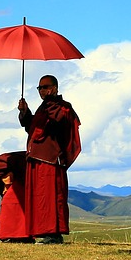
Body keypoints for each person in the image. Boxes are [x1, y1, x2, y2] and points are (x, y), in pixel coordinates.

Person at [17, 75, 81, 244]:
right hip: (36, 157)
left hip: (51, 159)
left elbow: (61, 123)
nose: (42, 91)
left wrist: (52, 105)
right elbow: (32, 127)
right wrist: (25, 111)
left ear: (55, 88)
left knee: (50, 196)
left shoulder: (63, 107)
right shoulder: (43, 108)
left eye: (45, 87)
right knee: (38, 196)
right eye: (40, 88)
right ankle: (40, 231)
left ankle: (53, 233)